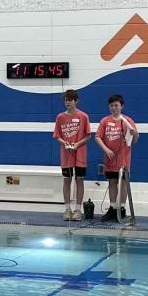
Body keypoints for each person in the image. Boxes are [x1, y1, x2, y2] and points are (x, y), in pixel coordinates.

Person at [96, 93, 138, 222]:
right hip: (110, 160)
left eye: (116, 105)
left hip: (123, 160)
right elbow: (98, 137)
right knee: (112, 182)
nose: (114, 108)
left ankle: (122, 208)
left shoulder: (127, 121)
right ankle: (113, 208)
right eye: (111, 105)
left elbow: (135, 140)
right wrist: (106, 149)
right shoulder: (105, 121)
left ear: (121, 106)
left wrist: (135, 133)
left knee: (123, 184)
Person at [53, 89, 91, 221]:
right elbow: (57, 136)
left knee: (79, 179)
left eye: (70, 100)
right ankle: (67, 209)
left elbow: (88, 136)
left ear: (76, 101)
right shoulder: (60, 117)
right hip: (66, 154)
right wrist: (65, 143)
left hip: (80, 153)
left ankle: (78, 210)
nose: (67, 102)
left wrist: (77, 144)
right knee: (67, 180)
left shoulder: (83, 116)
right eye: (66, 100)